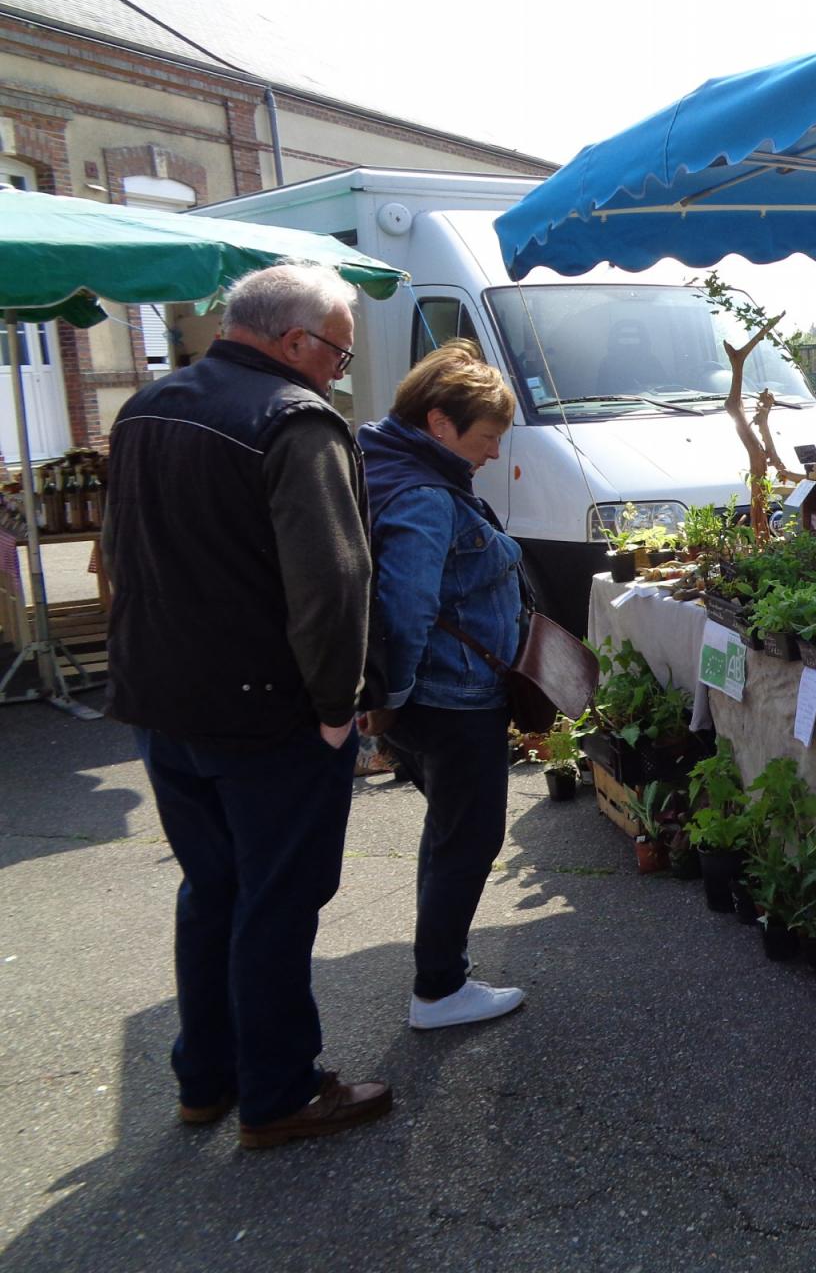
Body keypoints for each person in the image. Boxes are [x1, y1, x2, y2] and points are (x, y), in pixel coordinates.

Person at [103, 261, 393, 1150]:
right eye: (339, 356)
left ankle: (207, 1077)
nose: (337, 374)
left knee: (213, 891)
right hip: (267, 714)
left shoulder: (146, 405)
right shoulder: (295, 421)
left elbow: (119, 552)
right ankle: (278, 1093)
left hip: (164, 704)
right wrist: (339, 707)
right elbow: (334, 583)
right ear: (295, 341)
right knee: (275, 901)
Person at [357, 339, 527, 1031]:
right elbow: (406, 607)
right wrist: (388, 705)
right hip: (450, 700)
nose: (492, 452)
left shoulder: (388, 463)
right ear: (439, 424)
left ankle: (440, 971)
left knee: (449, 830)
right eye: (486, 437)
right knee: (470, 835)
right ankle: (439, 989)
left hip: (431, 698)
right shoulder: (426, 494)